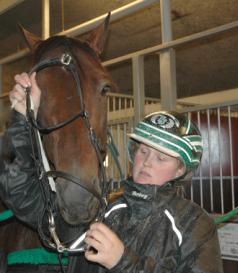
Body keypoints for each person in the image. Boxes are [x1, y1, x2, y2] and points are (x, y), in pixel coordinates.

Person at [0, 72, 223, 273]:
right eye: (143, 151)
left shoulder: (195, 225)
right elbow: (24, 198)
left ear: (181, 169)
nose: (146, 162)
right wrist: (23, 117)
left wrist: (123, 262)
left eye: (161, 158)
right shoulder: (101, 205)